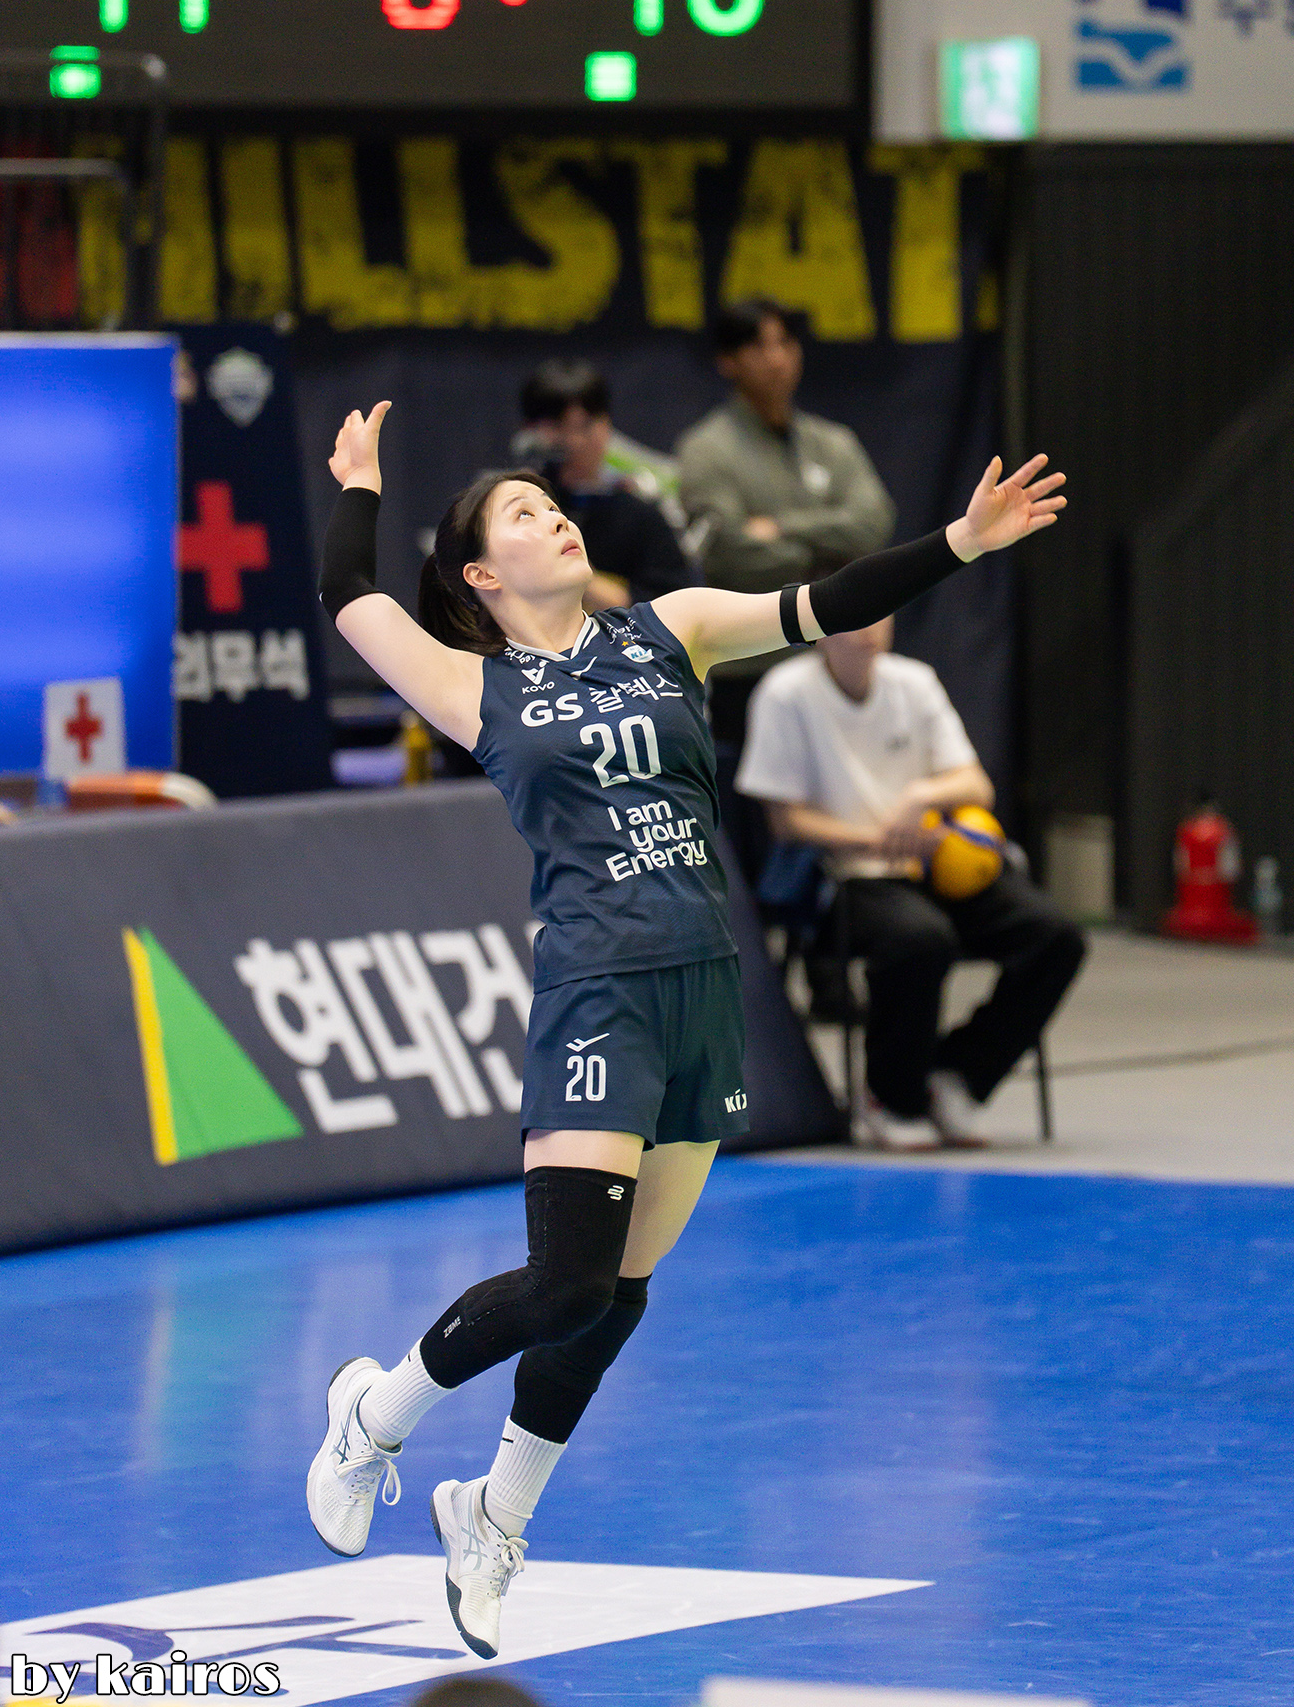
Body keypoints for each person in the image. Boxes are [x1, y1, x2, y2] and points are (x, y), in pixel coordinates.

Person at [306, 397, 1064, 1663]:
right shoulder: (470, 684)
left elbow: (825, 602)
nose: (555, 515)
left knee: (620, 1294)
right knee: (565, 1281)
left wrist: (962, 541)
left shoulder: (674, 627)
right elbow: (346, 593)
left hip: (702, 988)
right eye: (523, 513)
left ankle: (494, 1514)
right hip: (595, 988)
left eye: (554, 503)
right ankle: (374, 1414)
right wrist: (360, 484)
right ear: (482, 573)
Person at [736, 617, 1086, 1150]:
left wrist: (922, 798)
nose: (870, 625)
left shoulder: (914, 682)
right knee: (920, 939)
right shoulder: (785, 694)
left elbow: (975, 785)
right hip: (845, 877)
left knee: (1056, 937)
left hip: (934, 863)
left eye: (882, 610)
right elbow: (786, 822)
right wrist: (875, 841)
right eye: (854, 612)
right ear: (819, 627)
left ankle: (958, 1074)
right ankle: (892, 1097)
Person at [674, 300, 895, 748]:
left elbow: (874, 525)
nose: (776, 358)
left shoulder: (833, 442)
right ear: (728, 361)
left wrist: (780, 527)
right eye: (759, 346)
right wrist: (833, 565)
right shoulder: (705, 450)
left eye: (786, 343)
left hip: (841, 665)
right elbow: (729, 553)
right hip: (752, 667)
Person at [513, 360, 691, 609]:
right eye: (558, 426)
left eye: (585, 425)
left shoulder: (639, 515)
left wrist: (577, 574)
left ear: (606, 423)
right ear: (530, 430)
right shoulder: (516, 507)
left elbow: (673, 604)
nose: (574, 441)